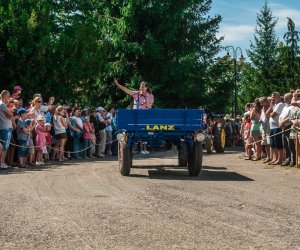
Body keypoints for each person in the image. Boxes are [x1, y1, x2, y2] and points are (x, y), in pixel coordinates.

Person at [114, 79, 154, 154]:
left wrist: (146, 103)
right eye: (140, 86)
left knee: (145, 131)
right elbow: (126, 90)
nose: (141, 88)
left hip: (145, 117)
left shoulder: (150, 96)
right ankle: (132, 148)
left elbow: (150, 106)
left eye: (142, 86)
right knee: (129, 131)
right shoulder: (136, 94)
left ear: (146, 88)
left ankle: (143, 148)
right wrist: (118, 84)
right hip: (135, 116)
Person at [0, 90, 13, 168]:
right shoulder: (2, 105)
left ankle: (3, 162)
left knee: (6, 146)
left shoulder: (3, 105)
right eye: (8, 96)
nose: (9, 97)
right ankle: (2, 163)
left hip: (6, 127)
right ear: (4, 96)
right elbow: (10, 114)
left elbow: (10, 115)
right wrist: (10, 112)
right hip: (5, 127)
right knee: (5, 146)